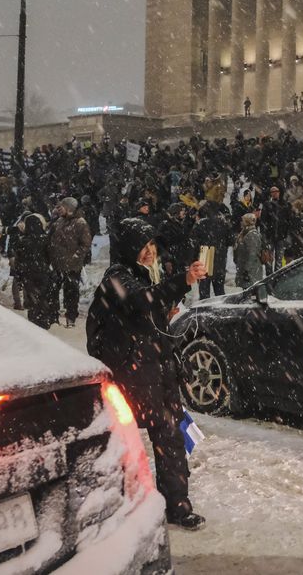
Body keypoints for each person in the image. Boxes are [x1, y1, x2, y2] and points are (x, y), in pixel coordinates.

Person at [86, 217, 208, 531]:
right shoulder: (118, 276)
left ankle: (177, 506)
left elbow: (147, 313)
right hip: (134, 373)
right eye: (144, 246)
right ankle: (123, 506)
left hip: (156, 369)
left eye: (152, 246)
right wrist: (182, 280)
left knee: (170, 437)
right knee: (130, 442)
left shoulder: (140, 275)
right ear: (129, 248)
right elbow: (142, 303)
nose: (150, 251)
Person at [48, 197, 93, 327]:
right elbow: (50, 240)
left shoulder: (80, 223)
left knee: (71, 293)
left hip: (72, 266)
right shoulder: (58, 222)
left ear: (69, 208)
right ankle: (53, 317)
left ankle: (71, 318)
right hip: (57, 265)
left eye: (61, 207)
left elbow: (85, 244)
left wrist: (75, 257)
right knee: (53, 291)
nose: (58, 209)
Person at [11, 208, 52, 320]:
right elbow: (50, 256)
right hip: (42, 271)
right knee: (42, 296)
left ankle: (34, 318)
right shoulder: (45, 239)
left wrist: (19, 274)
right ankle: (43, 318)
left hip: (28, 273)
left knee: (31, 296)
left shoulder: (22, 241)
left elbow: (18, 259)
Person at [192, 201, 232, 299]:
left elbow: (193, 243)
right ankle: (219, 310)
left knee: (204, 290)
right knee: (219, 289)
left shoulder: (200, 224)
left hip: (205, 258)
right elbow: (231, 241)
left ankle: (205, 310)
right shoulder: (224, 223)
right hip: (220, 259)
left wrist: (193, 260)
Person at [233, 213, 264, 287]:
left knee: (251, 292)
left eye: (243, 221)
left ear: (247, 222)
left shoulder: (252, 235)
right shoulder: (245, 233)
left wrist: (246, 270)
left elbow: (252, 254)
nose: (241, 222)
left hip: (251, 271)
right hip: (246, 269)